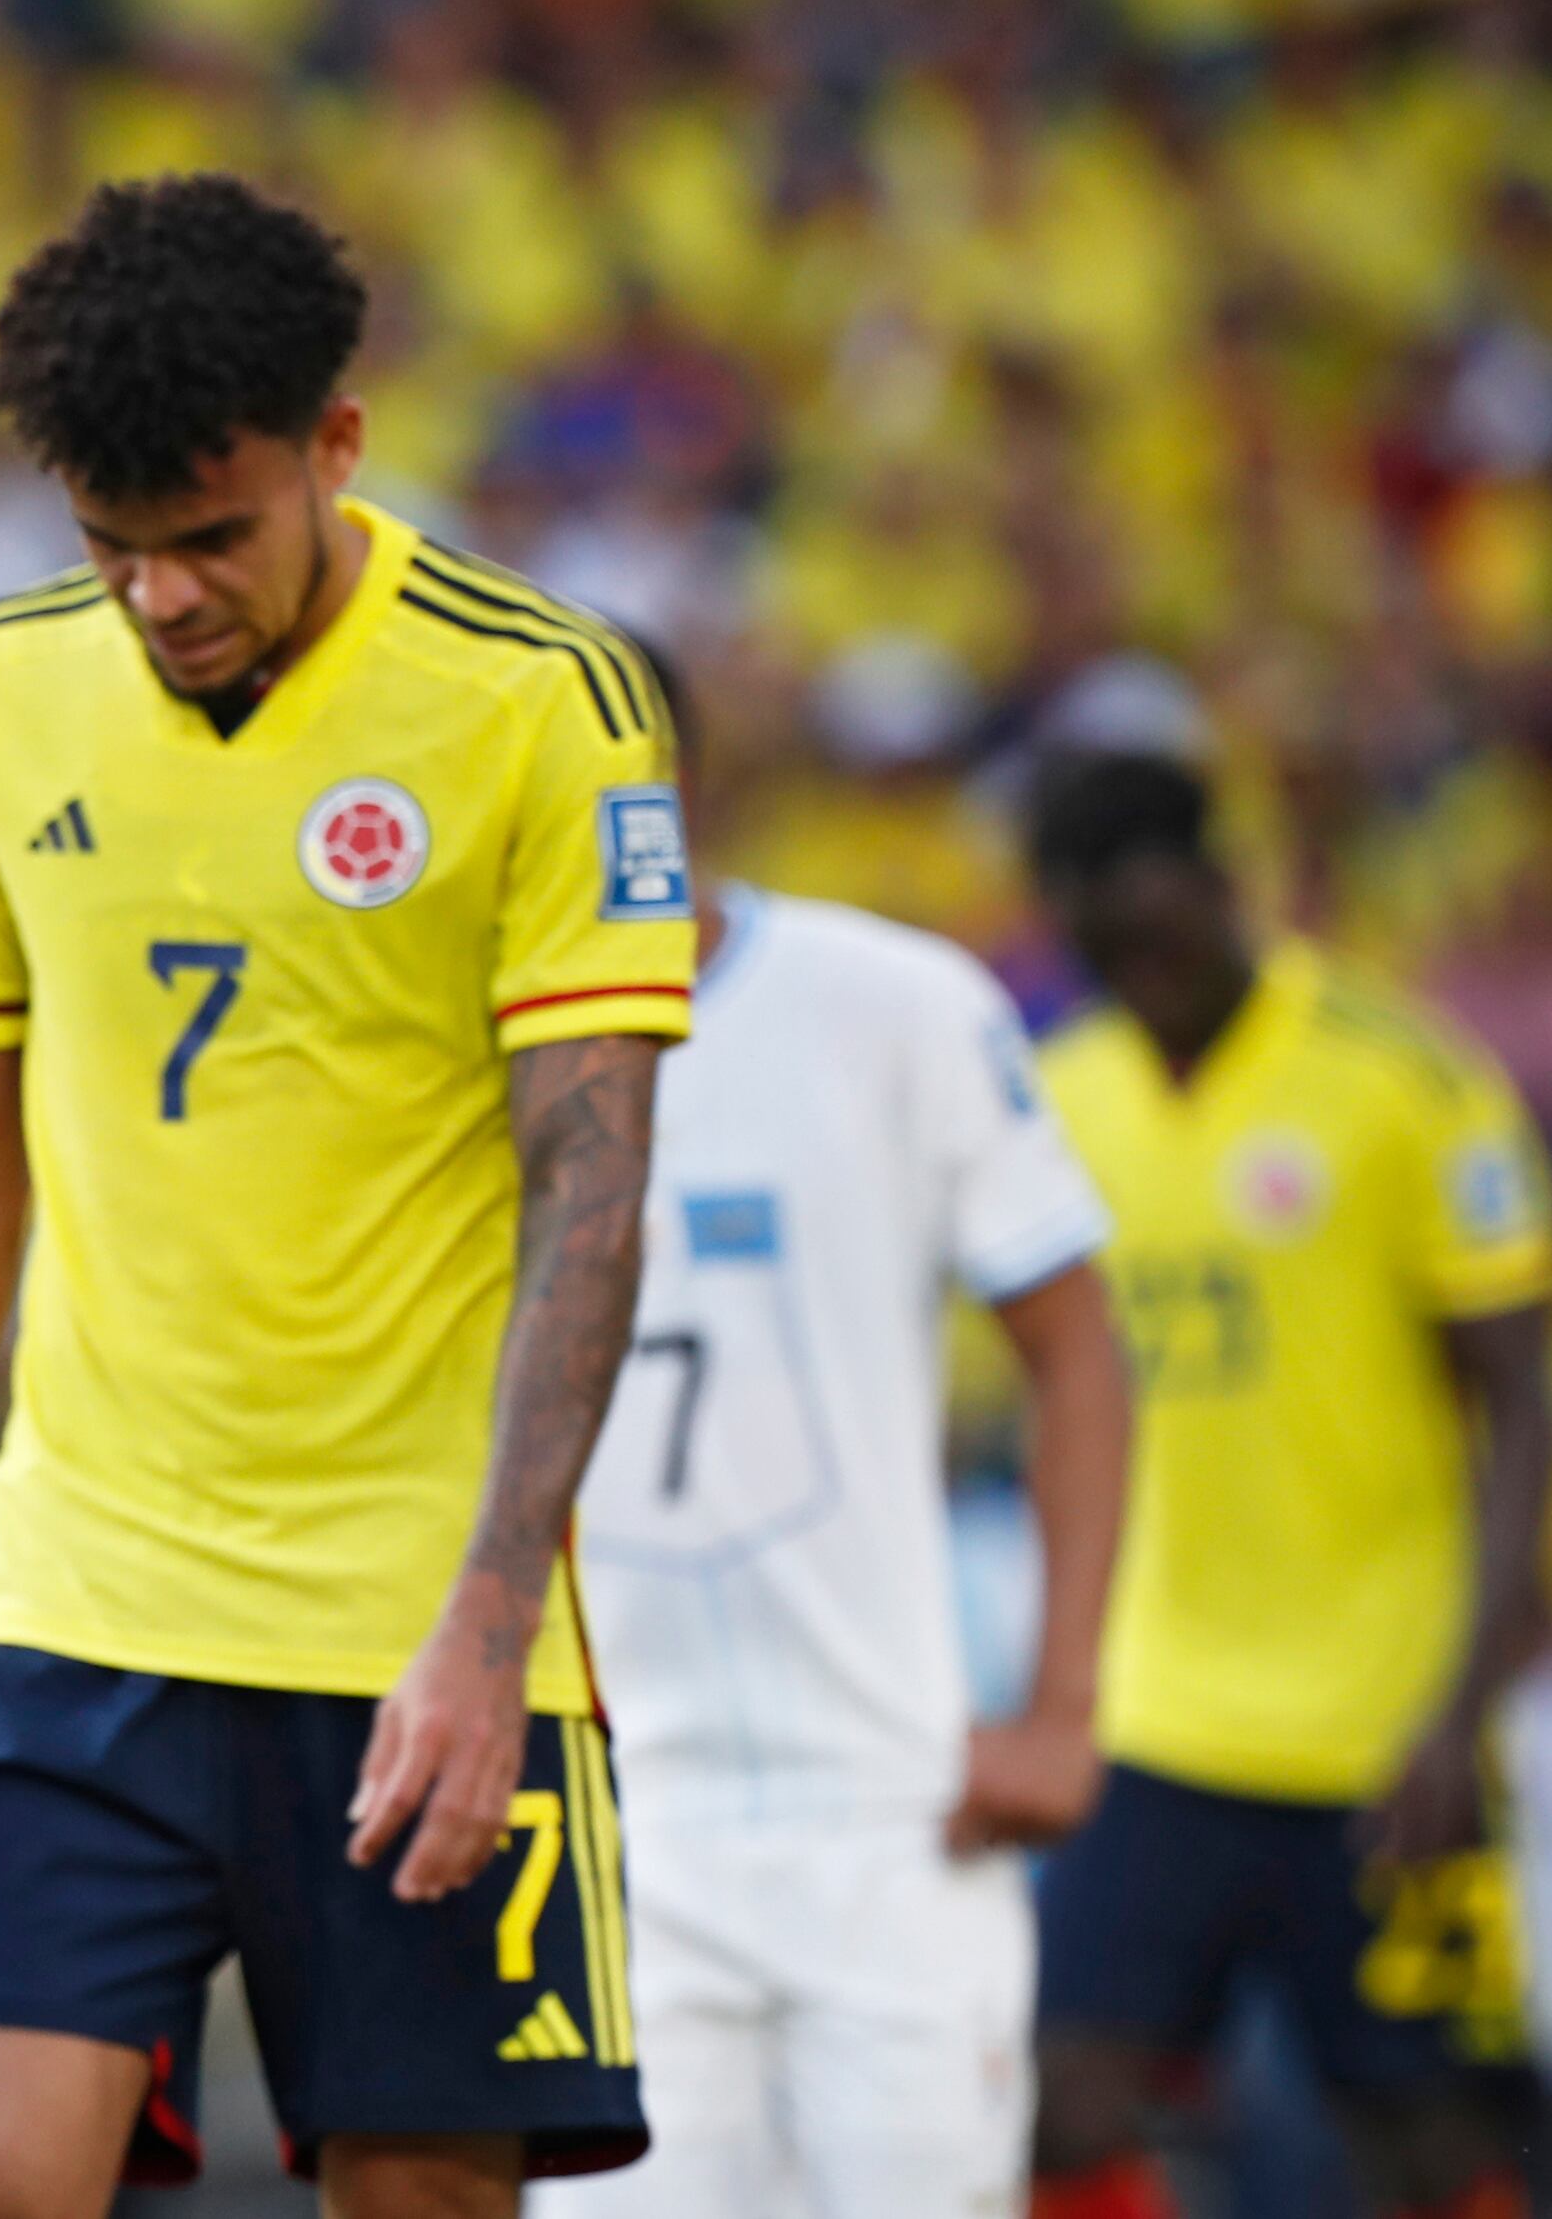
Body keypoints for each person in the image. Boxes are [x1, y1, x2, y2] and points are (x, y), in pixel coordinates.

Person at [0, 173, 689, 2219]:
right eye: (114, 549)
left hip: (413, 1620)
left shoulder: (536, 698)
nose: (163, 595)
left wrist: (485, 1623)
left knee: (421, 2194)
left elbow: (589, 1180)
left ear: (335, 450)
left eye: (211, 537)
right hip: (79, 1594)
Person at [527, 706, 1134, 2219]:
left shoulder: (895, 1006)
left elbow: (1075, 1348)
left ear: (679, 781)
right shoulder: (440, 1047)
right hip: (611, 1831)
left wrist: (1062, 1710)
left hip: (887, 1804)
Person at [1018, 754, 1552, 2219]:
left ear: (1219, 882)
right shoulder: (1053, 1099)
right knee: (1056, 2104)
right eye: (1102, 952)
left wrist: (1467, 1707)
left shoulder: (1406, 1081)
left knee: (1431, 2141)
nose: (1142, 975)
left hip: (1385, 1731)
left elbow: (1522, 1409)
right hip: (1157, 1723)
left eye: (1160, 934)